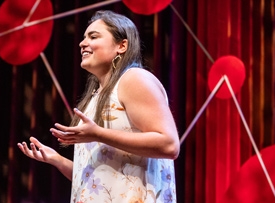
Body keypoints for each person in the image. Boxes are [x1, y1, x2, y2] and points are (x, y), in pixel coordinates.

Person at [18, 10, 180, 203]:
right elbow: (97, 179)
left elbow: (169, 145)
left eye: (93, 36)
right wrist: (57, 160)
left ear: (122, 45)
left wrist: (98, 134)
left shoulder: (134, 79)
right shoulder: (97, 96)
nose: (82, 43)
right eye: (84, 37)